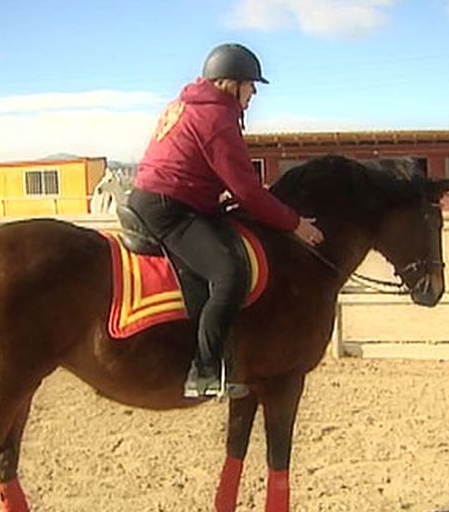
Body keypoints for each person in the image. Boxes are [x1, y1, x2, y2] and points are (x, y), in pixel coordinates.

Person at [129, 43, 324, 399]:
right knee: (230, 273)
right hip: (171, 209)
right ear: (232, 84)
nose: (252, 95)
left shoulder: (188, 104)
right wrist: (294, 223)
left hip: (165, 199)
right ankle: (204, 371)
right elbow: (247, 192)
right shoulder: (217, 118)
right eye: (251, 86)